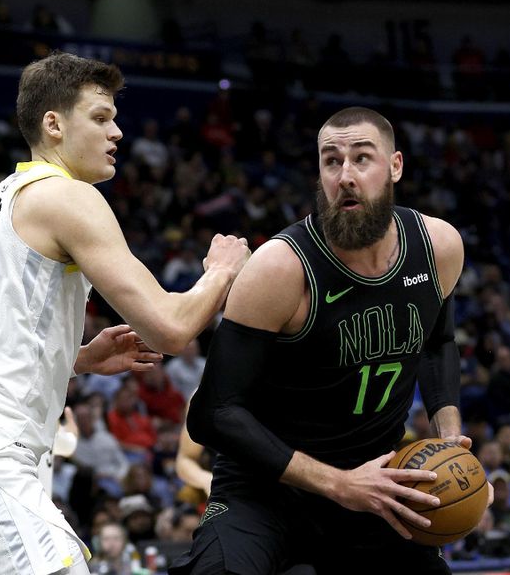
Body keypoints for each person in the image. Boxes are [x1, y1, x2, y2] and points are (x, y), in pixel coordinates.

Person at [0, 51, 250, 575]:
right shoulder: (68, 196)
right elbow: (170, 328)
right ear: (53, 124)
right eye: (100, 118)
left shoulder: (0, 198)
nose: (117, 132)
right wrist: (220, 272)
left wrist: (74, 359)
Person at [171, 106, 489, 575]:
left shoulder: (437, 245)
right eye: (331, 161)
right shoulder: (281, 269)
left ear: (395, 166)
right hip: (266, 491)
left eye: (362, 158)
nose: (345, 176)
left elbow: (438, 341)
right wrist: (339, 484)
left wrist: (448, 436)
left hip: (376, 480)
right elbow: (212, 414)